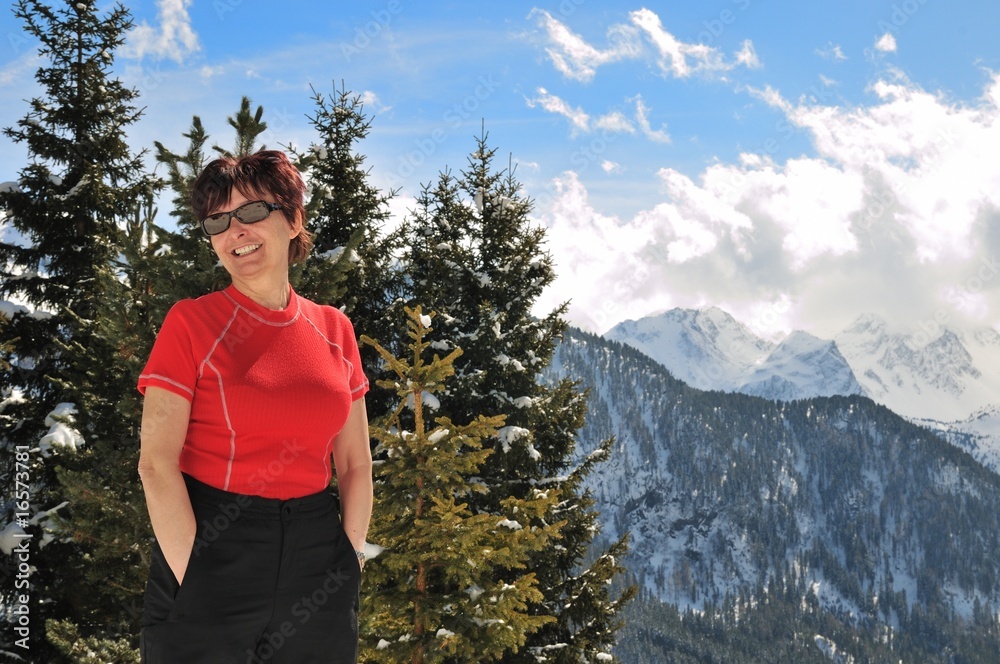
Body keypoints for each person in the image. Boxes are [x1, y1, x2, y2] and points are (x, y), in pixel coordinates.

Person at [136, 150, 372, 663]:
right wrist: (192, 574)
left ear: (293, 219)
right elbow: (156, 463)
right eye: (217, 221)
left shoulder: (334, 330)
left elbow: (354, 464)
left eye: (250, 212)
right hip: (214, 544)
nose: (234, 231)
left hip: (318, 555)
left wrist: (349, 560)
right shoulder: (191, 323)